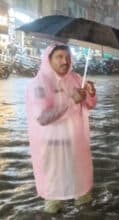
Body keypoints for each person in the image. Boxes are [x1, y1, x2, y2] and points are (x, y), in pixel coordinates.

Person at [25, 44, 97, 213]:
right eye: (59, 57)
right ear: (48, 59)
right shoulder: (38, 85)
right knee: (54, 201)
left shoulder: (77, 79)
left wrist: (91, 94)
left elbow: (90, 105)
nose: (65, 61)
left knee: (84, 197)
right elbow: (43, 118)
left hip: (76, 146)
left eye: (67, 57)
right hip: (52, 148)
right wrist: (71, 100)